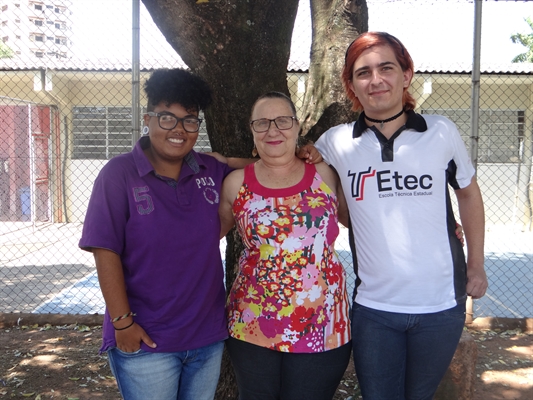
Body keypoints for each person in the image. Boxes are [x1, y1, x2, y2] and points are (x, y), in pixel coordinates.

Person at [314, 32, 488, 400]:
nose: (375, 80)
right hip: (374, 310)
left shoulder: (441, 132)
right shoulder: (335, 142)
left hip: (441, 306)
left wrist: (476, 265)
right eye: (363, 73)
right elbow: (289, 171)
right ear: (351, 85)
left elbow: (469, 195)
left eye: (386, 68)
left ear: (406, 75)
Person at [79, 68, 233, 400]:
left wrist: (305, 154)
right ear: (148, 119)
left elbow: (263, 168)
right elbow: (105, 251)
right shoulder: (118, 174)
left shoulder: (210, 170)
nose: (178, 130)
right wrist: (122, 324)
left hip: (206, 337)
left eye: (189, 120)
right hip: (147, 339)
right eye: (167, 118)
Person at [218, 91, 352, 400]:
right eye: (262, 123)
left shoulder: (326, 174)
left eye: (282, 120)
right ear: (252, 130)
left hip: (323, 323)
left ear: (296, 126)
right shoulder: (235, 183)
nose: (273, 130)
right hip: (252, 324)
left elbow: (363, 220)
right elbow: (203, 237)